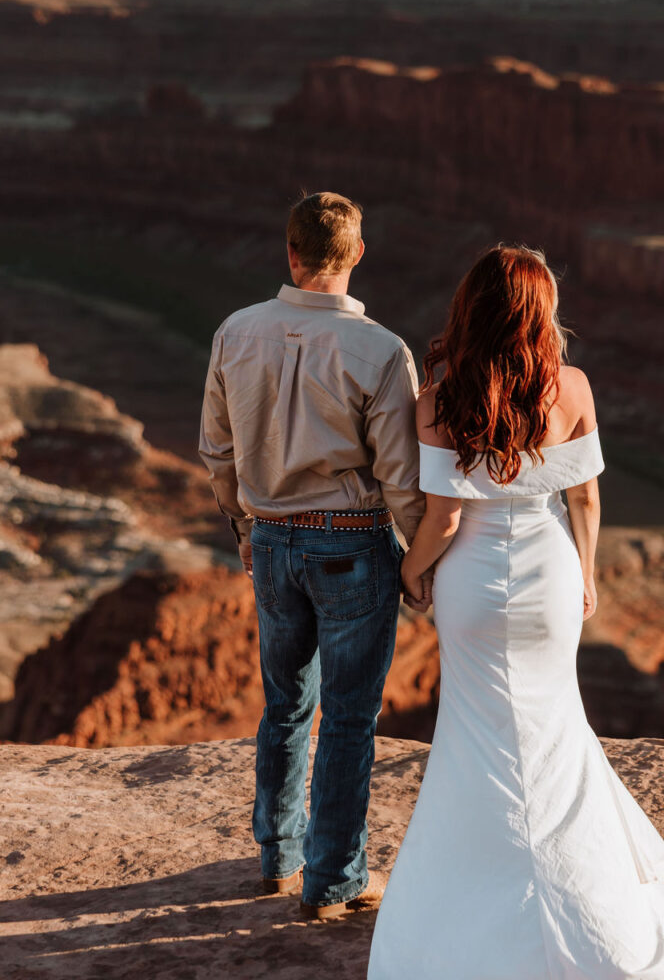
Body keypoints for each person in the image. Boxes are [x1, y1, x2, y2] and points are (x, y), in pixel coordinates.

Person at [367, 244, 664, 979]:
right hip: (550, 575)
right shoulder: (573, 388)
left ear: (472, 310)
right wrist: (583, 574)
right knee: (554, 731)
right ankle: (592, 914)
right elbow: (583, 498)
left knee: (472, 740)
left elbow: (444, 519)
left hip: (471, 588)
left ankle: (476, 918)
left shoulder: (439, 394)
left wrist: (409, 571)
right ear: (539, 313)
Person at [199, 192, 427, 920]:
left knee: (286, 706)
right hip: (352, 543)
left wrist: (242, 526)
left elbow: (216, 449)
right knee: (350, 718)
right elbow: (401, 477)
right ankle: (332, 882)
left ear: (288, 251)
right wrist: (421, 559)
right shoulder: (382, 351)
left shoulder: (235, 332)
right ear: (357, 254)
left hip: (268, 538)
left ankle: (277, 858)